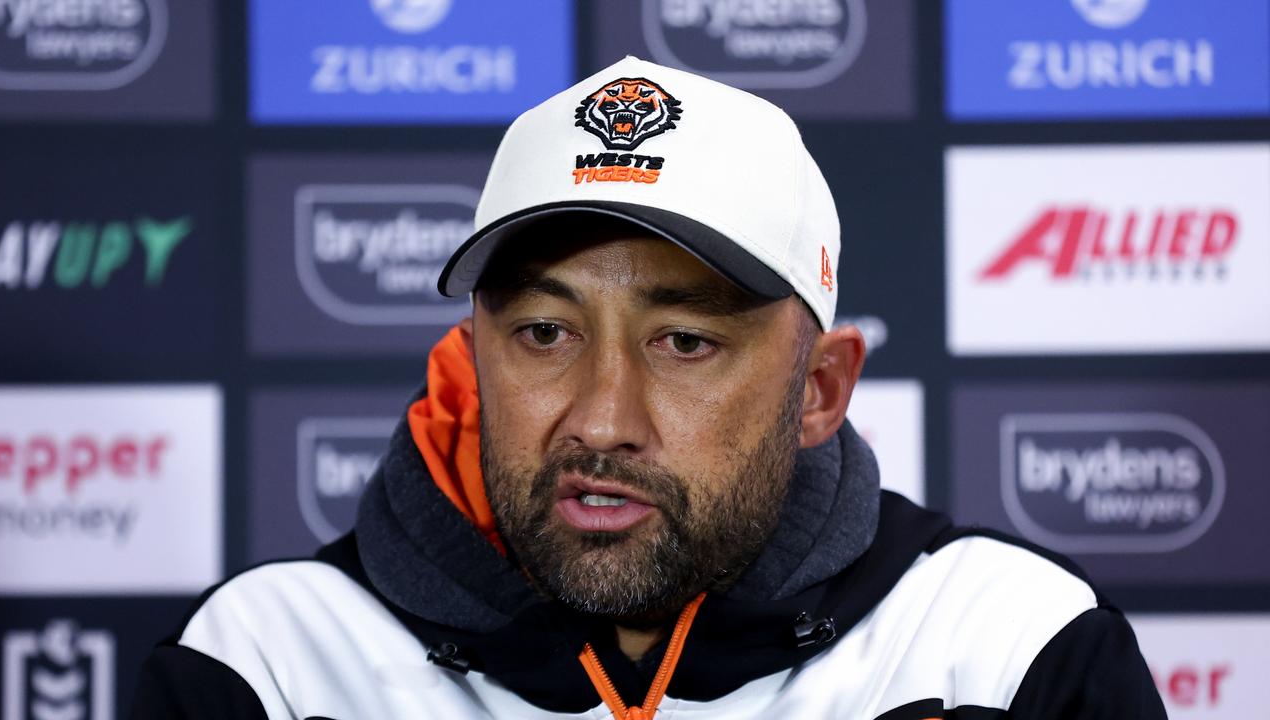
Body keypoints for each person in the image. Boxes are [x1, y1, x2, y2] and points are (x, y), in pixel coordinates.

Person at [133, 57, 1166, 719]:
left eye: (682, 342)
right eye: (543, 332)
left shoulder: (1003, 645)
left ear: (817, 387)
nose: (599, 420)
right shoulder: (265, 660)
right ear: (474, 350)